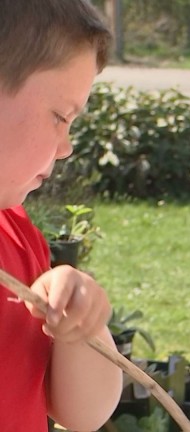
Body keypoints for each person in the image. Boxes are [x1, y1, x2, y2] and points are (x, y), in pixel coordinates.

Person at [0, 1, 123, 430]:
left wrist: (81, 329)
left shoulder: (16, 237)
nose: (67, 146)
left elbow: (82, 414)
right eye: (60, 116)